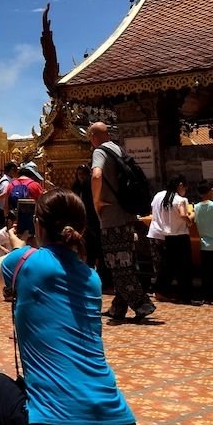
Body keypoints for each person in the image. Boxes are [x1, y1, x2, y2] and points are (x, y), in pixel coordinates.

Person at [0, 188, 138, 425]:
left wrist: (19, 249)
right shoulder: (91, 278)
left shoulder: (26, 261)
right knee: (82, 376)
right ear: (81, 229)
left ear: (38, 224)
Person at [88, 123, 155, 322]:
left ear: (92, 137)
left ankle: (142, 304)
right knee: (126, 261)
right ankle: (118, 307)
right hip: (127, 214)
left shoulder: (99, 152)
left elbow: (96, 175)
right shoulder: (117, 149)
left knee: (118, 264)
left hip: (112, 218)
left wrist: (96, 200)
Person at [149, 174, 194, 304]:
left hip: (167, 236)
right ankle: (185, 295)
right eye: (185, 188)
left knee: (167, 266)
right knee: (184, 268)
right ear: (180, 185)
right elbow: (183, 215)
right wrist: (191, 218)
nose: (185, 191)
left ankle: (160, 290)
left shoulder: (159, 196)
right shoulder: (181, 199)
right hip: (181, 236)